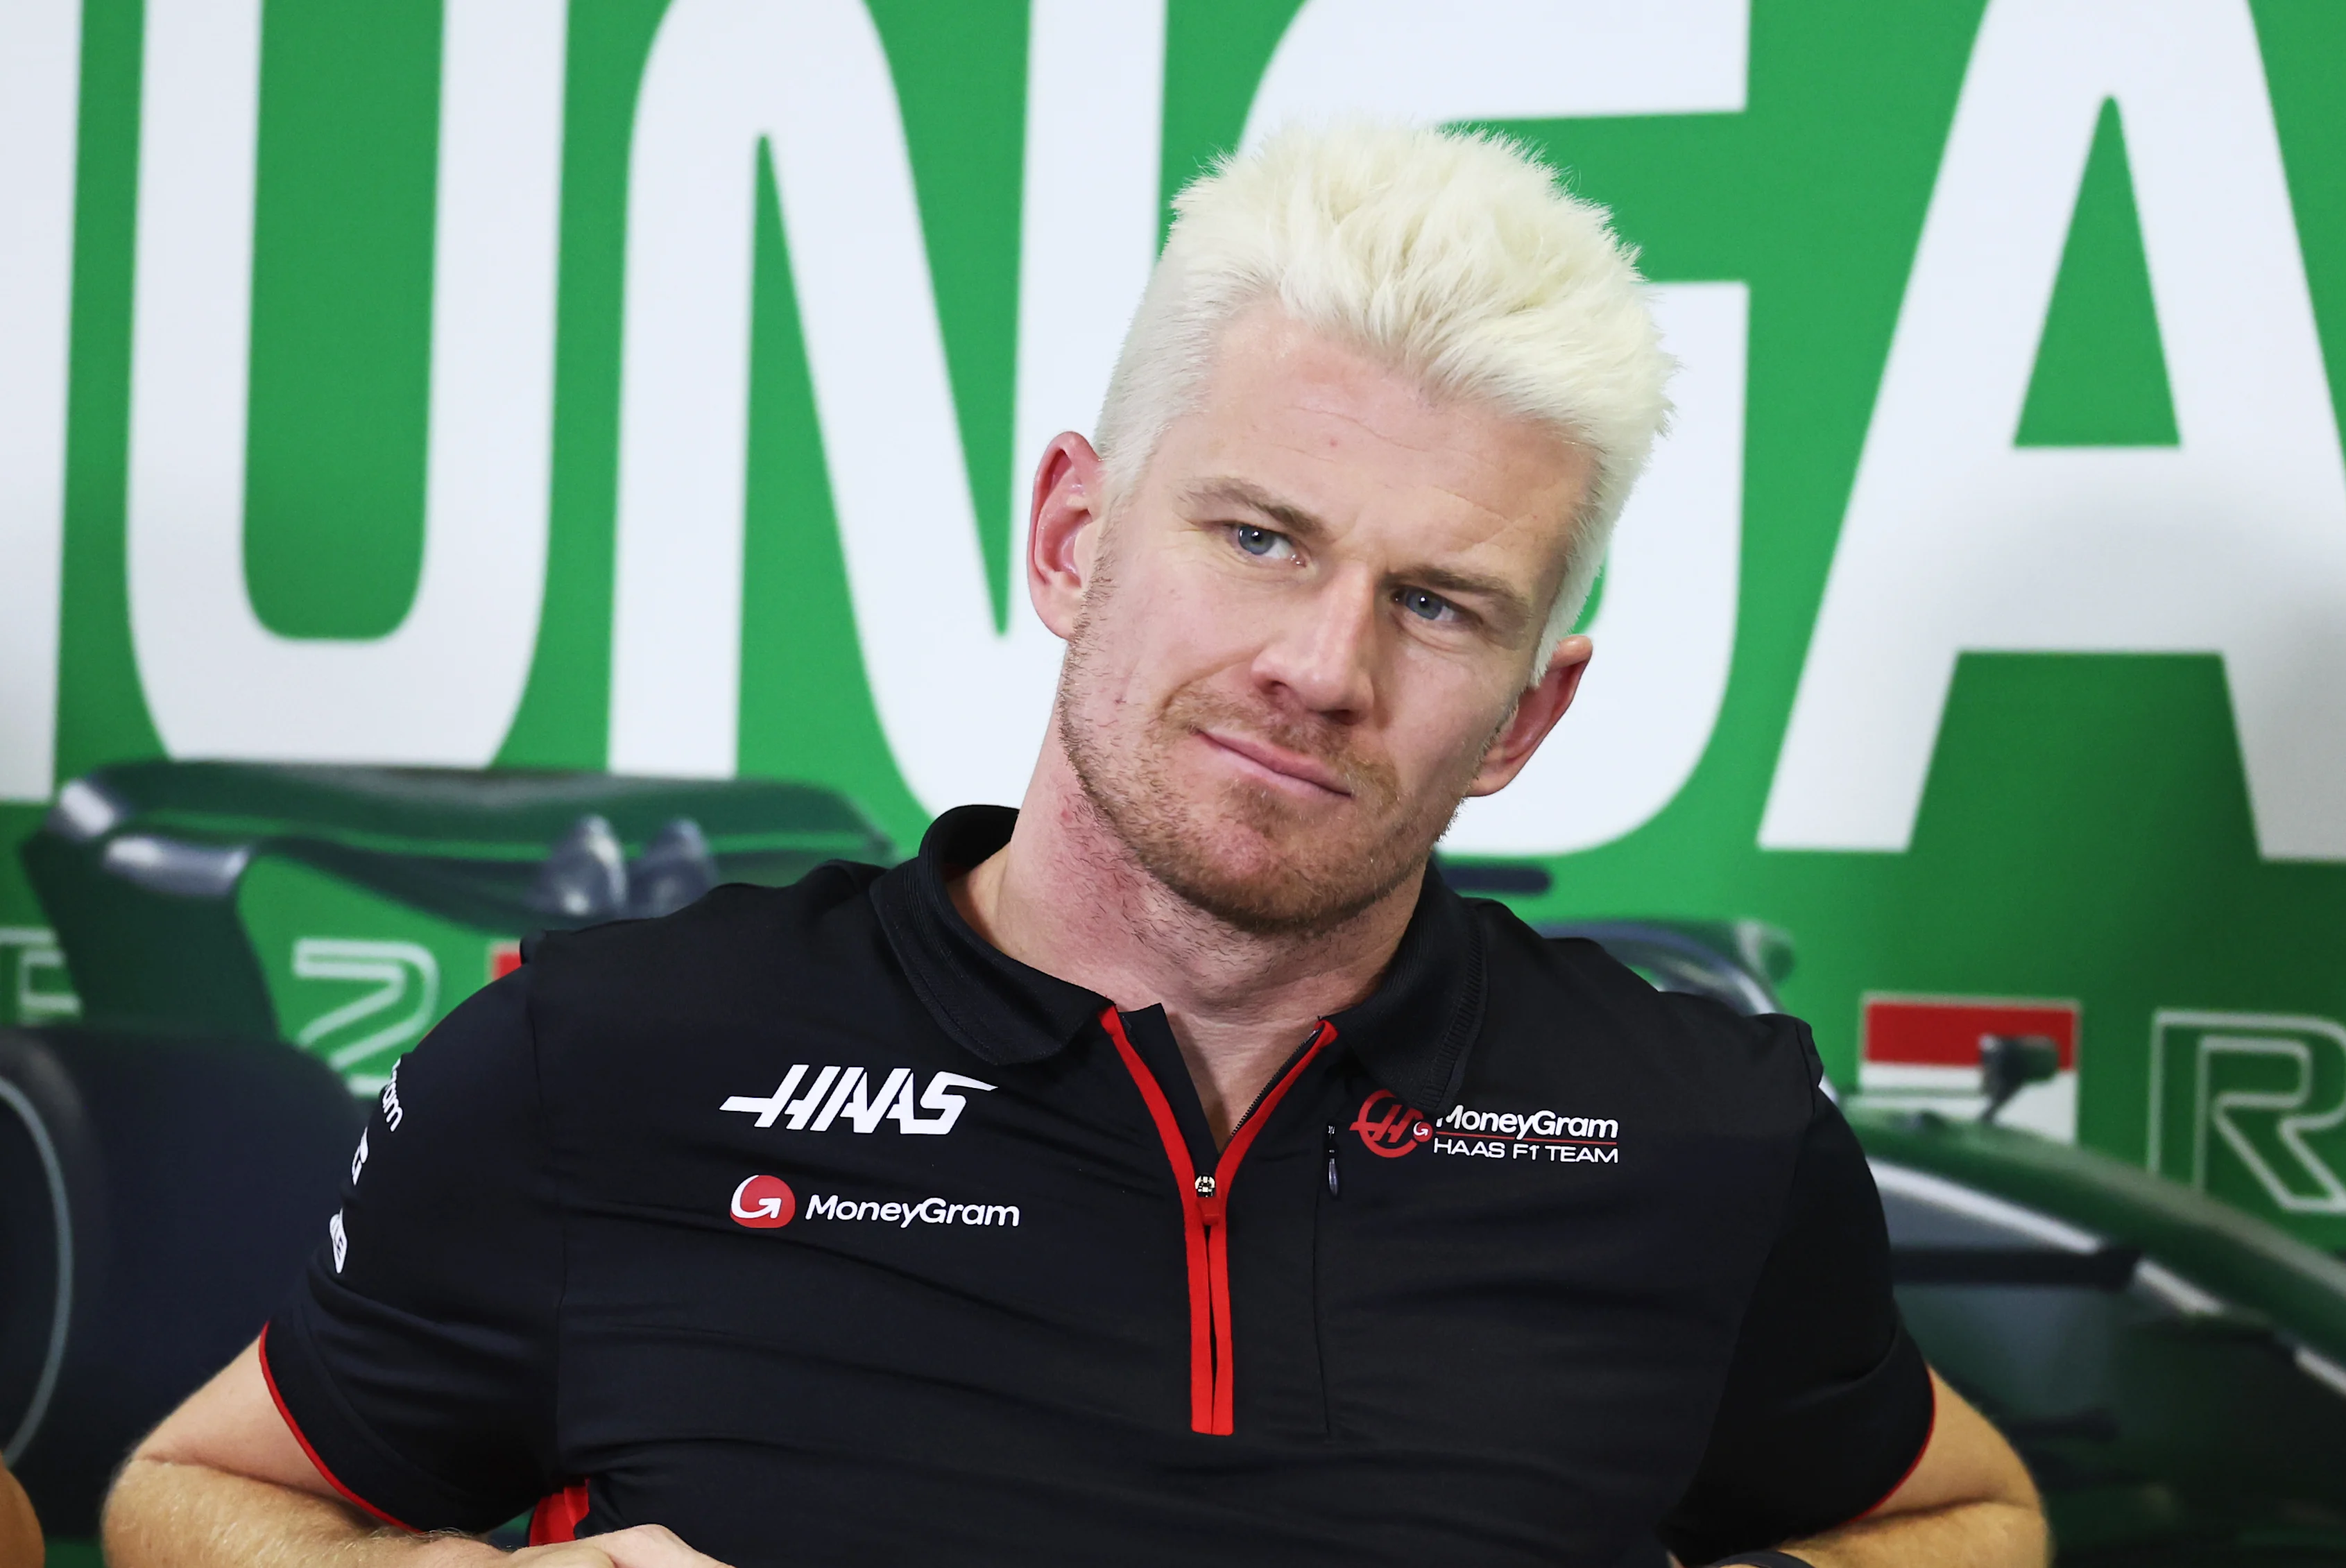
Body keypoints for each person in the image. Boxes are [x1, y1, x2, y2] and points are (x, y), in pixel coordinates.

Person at [103, 122, 2044, 1568]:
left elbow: (1965, 1513)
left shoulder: (1702, 1129)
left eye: (1439, 603)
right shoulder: (604, 1057)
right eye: (1259, 536)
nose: (1322, 668)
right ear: (1070, 537)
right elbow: (186, 1496)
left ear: (1529, 717)